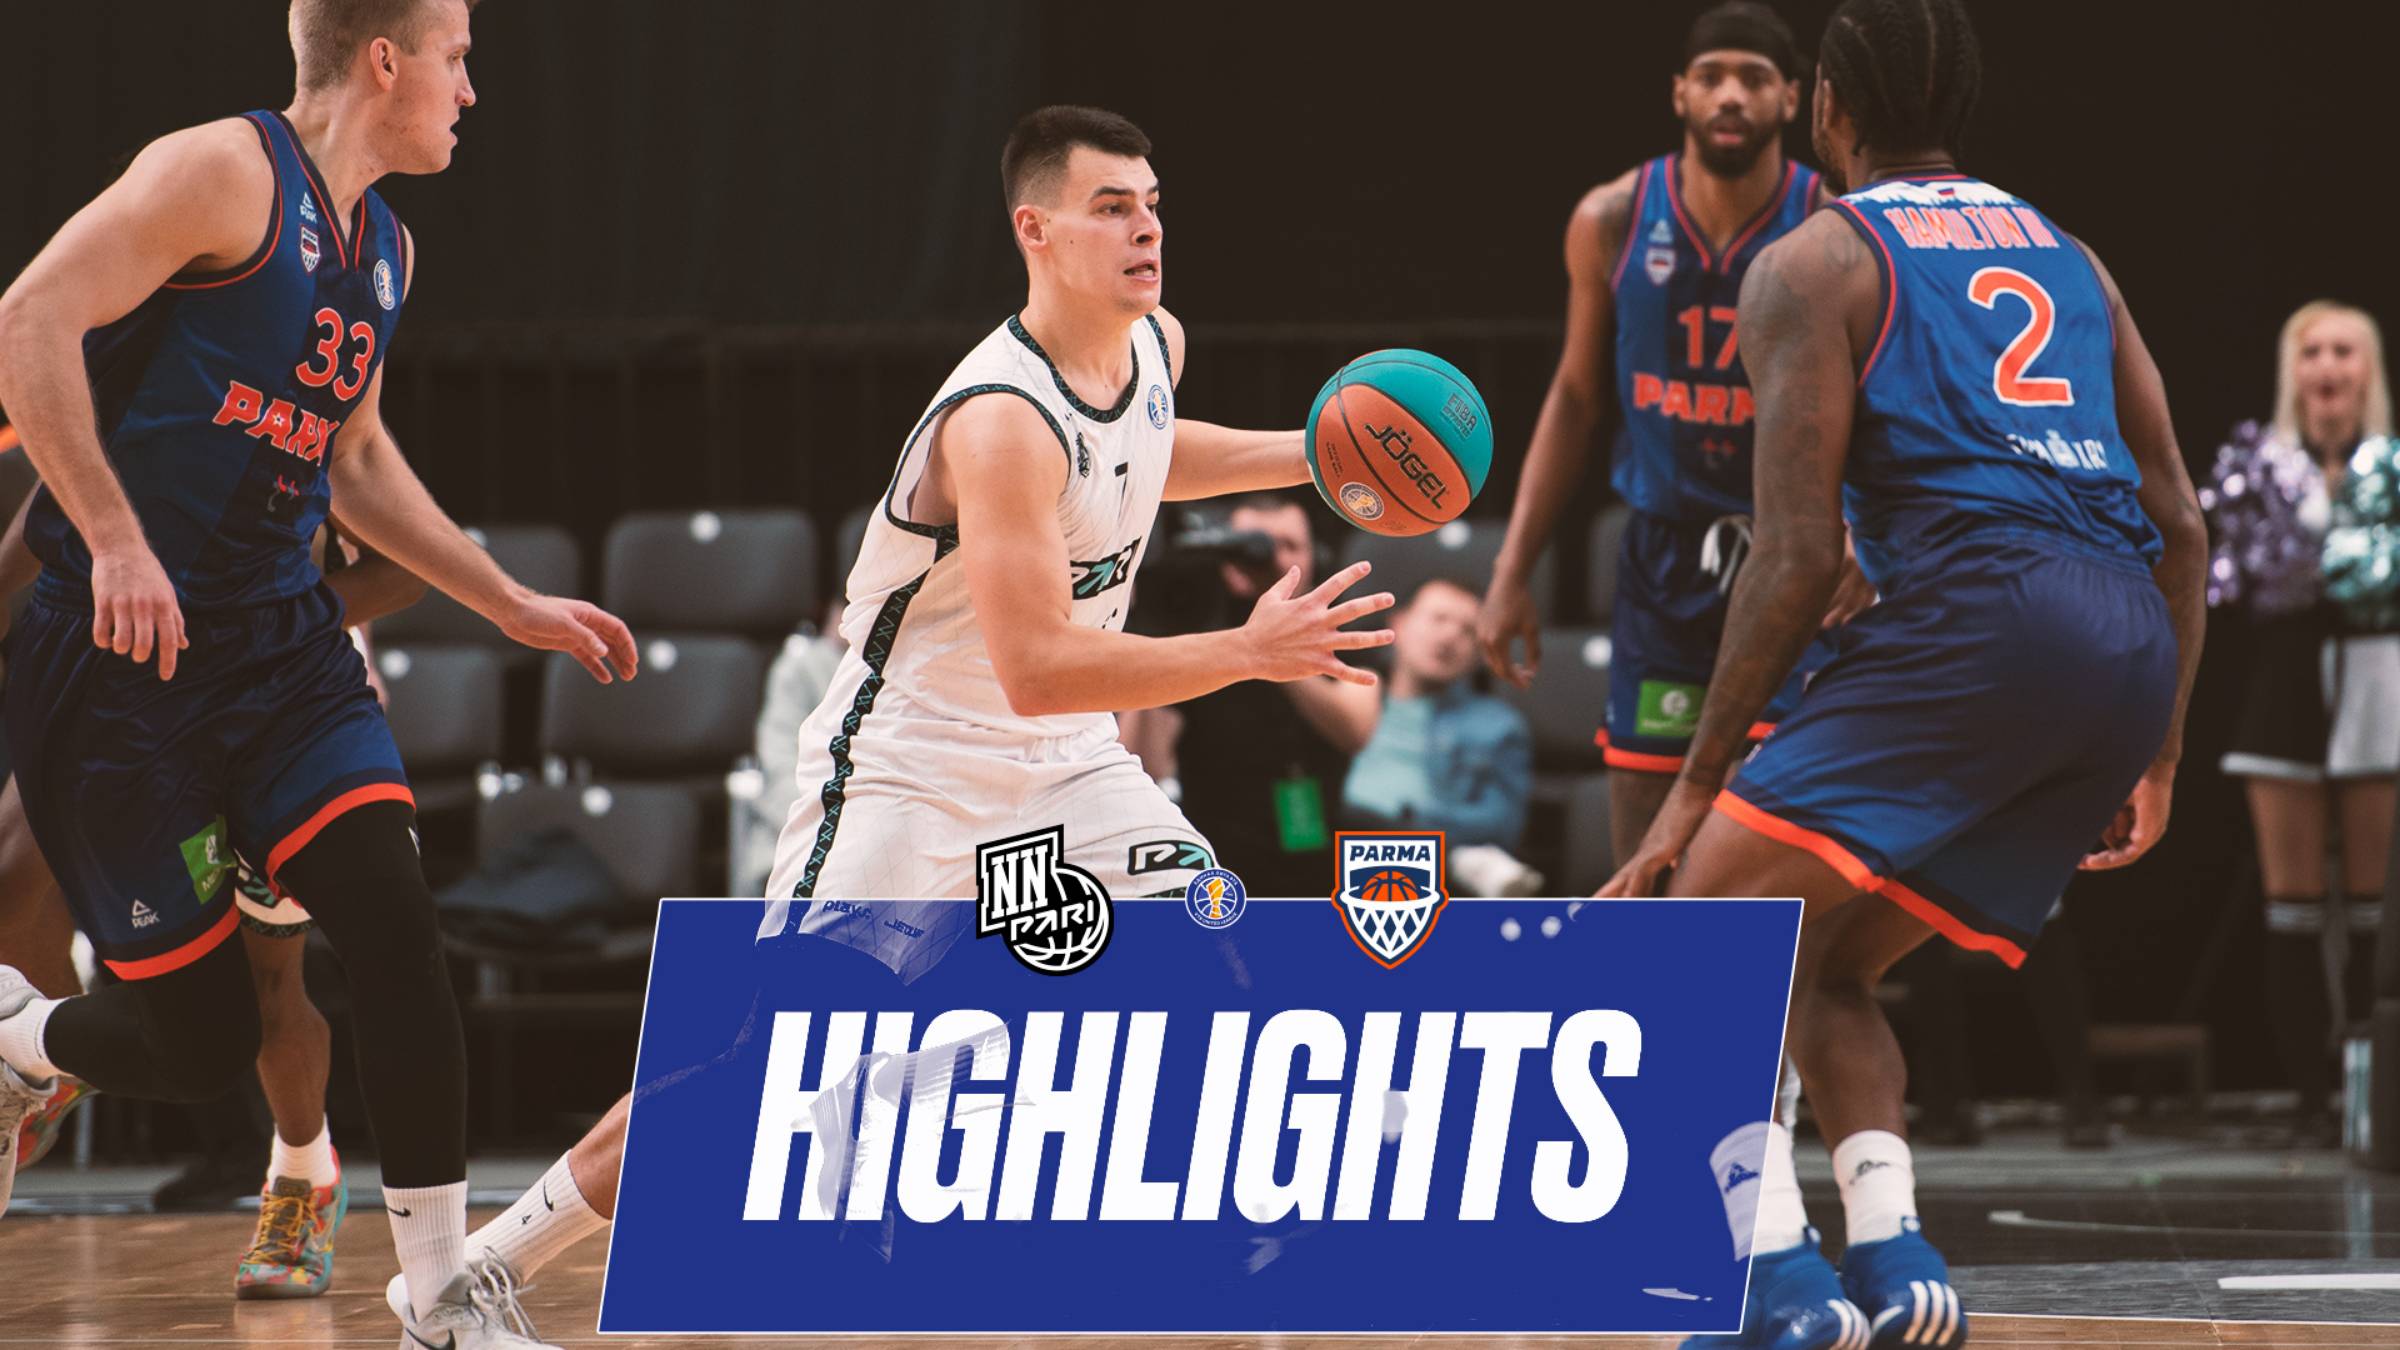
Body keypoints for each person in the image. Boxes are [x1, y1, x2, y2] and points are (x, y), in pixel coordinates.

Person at [380, 104, 1400, 1334]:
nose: (1147, 230)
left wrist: (1315, 453)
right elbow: (1039, 668)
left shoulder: (1152, 345)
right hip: (910, 767)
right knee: (762, 1071)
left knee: (1207, 942)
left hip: (1066, 763)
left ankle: (1147, 1218)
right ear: (1035, 230)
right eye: (1111, 208)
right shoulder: (999, 420)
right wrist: (1246, 652)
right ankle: (472, 1272)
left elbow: (1148, 448)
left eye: (1152, 205)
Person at [0, 4, 638, 1346]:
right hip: (123, 662)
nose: (471, 88)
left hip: (282, 648)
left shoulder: (386, 248)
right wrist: (114, 537)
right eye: (458, 56)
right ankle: (22, 1041)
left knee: (395, 926)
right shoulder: (219, 171)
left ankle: (440, 1295)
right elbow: (30, 313)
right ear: (385, 58)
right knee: (197, 1047)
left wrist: (511, 601)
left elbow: (355, 459)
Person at [1600, 1, 2207, 1345]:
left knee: (1697, 947)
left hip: (1980, 621)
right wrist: (2157, 746)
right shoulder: (2070, 253)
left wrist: (1691, 792)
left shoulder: (1815, 260)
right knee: (1822, 966)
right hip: (2123, 643)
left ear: (1827, 107)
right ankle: (1896, 1254)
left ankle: (1768, 1276)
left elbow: (1794, 555)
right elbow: (2181, 519)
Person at [1477, 0, 1862, 871]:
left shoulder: (1831, 220)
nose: (1731, 95)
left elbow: (1880, 398)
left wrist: (1864, 528)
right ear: (1679, 92)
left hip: (1793, 557)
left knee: (1777, 851)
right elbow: (1575, 398)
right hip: (1663, 563)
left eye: (1754, 79)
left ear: (1793, 98)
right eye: (1712, 77)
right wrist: (1512, 568)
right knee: (1643, 844)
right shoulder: (1612, 216)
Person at [2202, 301, 2396, 1143]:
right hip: (2282, 692)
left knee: (2371, 909)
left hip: (2379, 686)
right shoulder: (2259, 467)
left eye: (2344, 350)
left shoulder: (2392, 465)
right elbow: (2230, 575)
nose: (2328, 366)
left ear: (2368, 368)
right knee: (2292, 909)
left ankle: (2370, 1097)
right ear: (2293, 370)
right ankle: (2310, 1102)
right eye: (2311, 351)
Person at [1136, 493, 1379, 897]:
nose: (1272, 559)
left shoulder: (1341, 630)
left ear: (1315, 556)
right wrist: (1155, 652)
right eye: (1254, 546)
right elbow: (1147, 763)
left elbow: (1355, 729)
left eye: (1290, 546)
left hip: (1318, 862)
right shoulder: (1199, 630)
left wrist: (1276, 647)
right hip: (1214, 863)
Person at [1343, 576, 1532, 855]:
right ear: (1398, 625)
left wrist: (1411, 820)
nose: (1450, 636)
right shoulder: (1344, 696)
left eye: (1468, 631)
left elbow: (1502, 825)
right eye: (1438, 619)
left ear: (1480, 654)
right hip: (1320, 843)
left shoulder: (1497, 727)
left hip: (1416, 853)